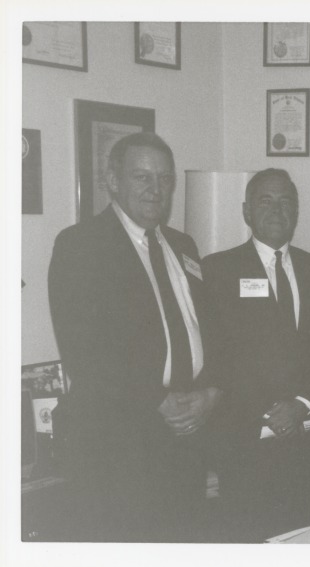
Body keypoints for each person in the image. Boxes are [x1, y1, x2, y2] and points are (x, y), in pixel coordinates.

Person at [48, 132, 221, 542]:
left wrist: (211, 393)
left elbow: (208, 333)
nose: (155, 188)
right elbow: (84, 353)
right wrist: (157, 400)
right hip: (120, 447)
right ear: (112, 181)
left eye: (164, 178)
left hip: (186, 441)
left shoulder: (183, 245)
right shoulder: (80, 245)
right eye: (142, 177)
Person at [202, 169, 310, 542]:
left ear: (296, 212)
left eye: (286, 202)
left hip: (303, 435)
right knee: (245, 540)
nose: (277, 209)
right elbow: (216, 356)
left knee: (295, 538)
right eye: (266, 201)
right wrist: (268, 413)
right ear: (247, 211)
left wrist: (300, 404)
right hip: (243, 440)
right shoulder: (217, 270)